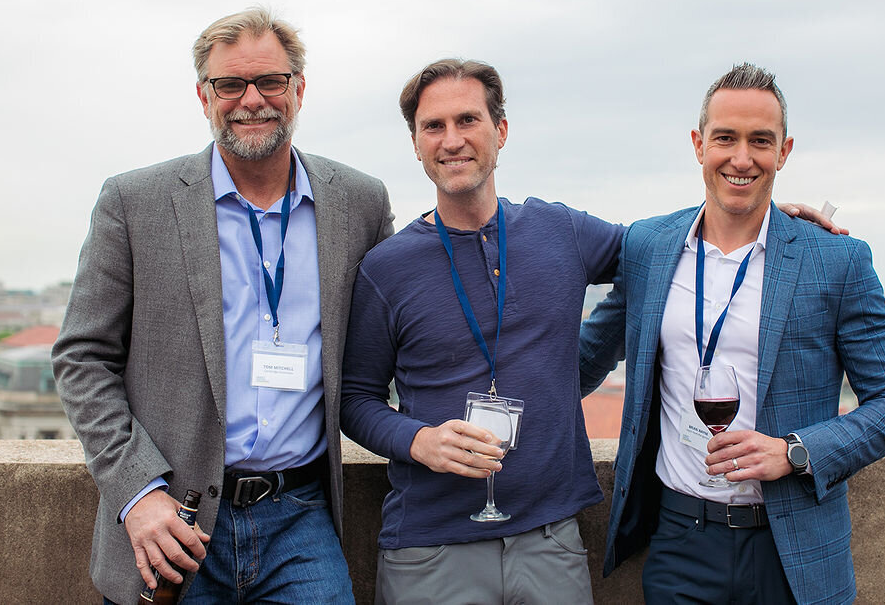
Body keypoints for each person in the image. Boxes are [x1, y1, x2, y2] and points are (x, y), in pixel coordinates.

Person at [339, 58, 840, 604]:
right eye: (433, 126)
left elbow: (665, 248)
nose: (452, 140)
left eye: (468, 120)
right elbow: (354, 400)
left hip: (551, 542)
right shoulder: (385, 269)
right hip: (429, 551)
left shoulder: (560, 231)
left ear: (500, 131)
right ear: (415, 142)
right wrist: (419, 440)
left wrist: (757, 215)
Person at [52, 8, 393, 604]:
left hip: (302, 517)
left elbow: (397, 339)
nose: (251, 100)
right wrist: (137, 493)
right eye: (229, 85)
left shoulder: (359, 202)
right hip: (171, 522)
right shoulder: (134, 202)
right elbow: (82, 359)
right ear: (203, 96)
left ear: (300, 89)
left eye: (271, 82)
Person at [579, 63, 885, 604]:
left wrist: (795, 451)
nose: (742, 158)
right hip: (679, 543)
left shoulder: (836, 262)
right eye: (725, 139)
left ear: (783, 152)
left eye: (760, 141)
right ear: (699, 145)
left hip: (794, 554)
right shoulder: (648, 248)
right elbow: (578, 364)